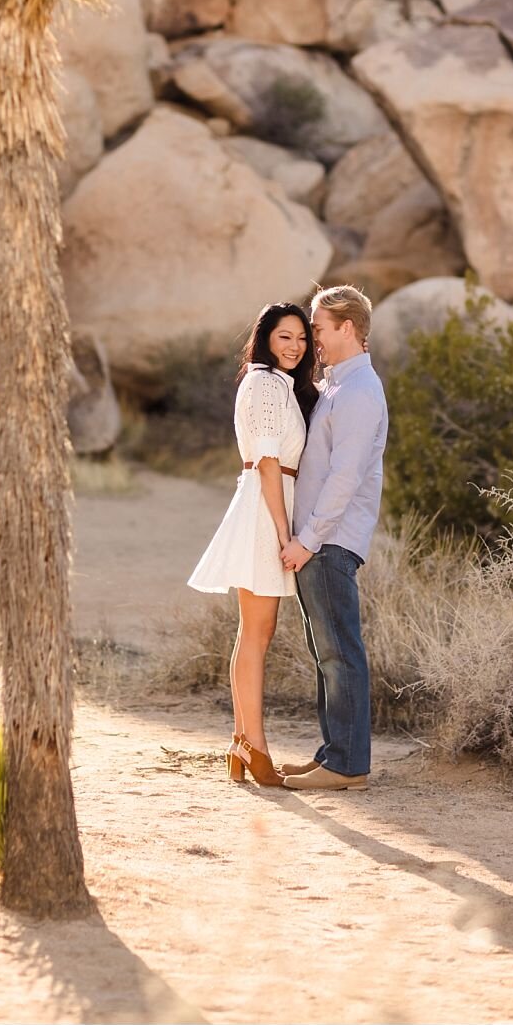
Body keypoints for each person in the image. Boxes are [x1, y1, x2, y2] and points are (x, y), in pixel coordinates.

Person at [188, 302, 318, 787]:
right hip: (266, 510)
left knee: (255, 633)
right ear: (265, 339)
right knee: (257, 633)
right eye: (285, 337)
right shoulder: (263, 382)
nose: (295, 346)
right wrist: (285, 534)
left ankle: (243, 742)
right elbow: (267, 463)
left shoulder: (281, 385)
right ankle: (253, 745)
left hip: (270, 504)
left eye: (302, 339)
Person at [279, 285, 388, 792]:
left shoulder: (360, 392)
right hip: (320, 541)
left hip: (329, 542)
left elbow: (345, 477)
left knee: (340, 653)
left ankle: (346, 766)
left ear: (348, 328)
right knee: (328, 653)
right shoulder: (339, 388)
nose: (314, 338)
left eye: (319, 328)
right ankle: (333, 755)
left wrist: (309, 540)